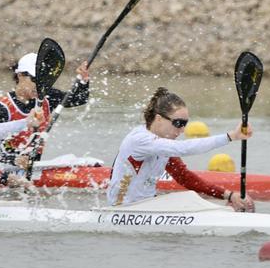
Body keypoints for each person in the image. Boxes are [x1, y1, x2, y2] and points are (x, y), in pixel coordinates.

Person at [108, 87, 255, 211]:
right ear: (159, 119)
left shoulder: (163, 145)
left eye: (185, 123)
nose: (182, 129)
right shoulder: (140, 140)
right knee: (187, 198)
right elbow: (183, 148)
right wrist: (231, 136)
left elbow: (185, 178)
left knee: (189, 197)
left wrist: (229, 195)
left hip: (146, 208)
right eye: (178, 123)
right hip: (123, 211)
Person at [0, 52, 90, 171]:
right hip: (6, 169)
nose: (40, 85)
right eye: (35, 79)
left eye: (43, 80)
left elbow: (80, 99)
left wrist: (83, 81)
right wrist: (15, 160)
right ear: (20, 75)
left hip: (31, 168)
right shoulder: (2, 107)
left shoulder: (47, 96)